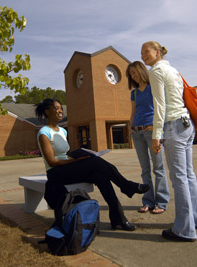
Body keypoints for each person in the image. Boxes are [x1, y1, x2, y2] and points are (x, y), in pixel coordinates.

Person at [35, 98, 150, 231]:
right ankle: (126, 185)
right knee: (94, 161)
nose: (60, 111)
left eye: (61, 108)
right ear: (47, 111)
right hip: (56, 173)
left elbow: (64, 154)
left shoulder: (62, 131)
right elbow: (52, 162)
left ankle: (118, 218)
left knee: (101, 176)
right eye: (56, 108)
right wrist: (77, 160)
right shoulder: (44, 133)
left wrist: (76, 156)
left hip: (67, 169)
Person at [141, 41, 197, 242]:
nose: (143, 56)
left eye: (146, 51)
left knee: (180, 178)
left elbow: (160, 106)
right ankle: (193, 220)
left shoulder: (156, 72)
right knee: (188, 175)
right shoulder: (173, 70)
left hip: (173, 125)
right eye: (141, 53)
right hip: (187, 125)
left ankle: (184, 229)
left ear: (157, 52)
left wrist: (157, 135)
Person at [127, 61, 170, 214]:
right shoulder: (135, 92)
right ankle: (148, 201)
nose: (133, 76)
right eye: (131, 74)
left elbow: (162, 108)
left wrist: (157, 128)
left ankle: (162, 202)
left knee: (158, 168)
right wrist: (130, 127)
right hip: (137, 133)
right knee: (145, 169)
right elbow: (133, 112)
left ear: (141, 70)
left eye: (134, 72)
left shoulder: (154, 86)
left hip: (152, 132)